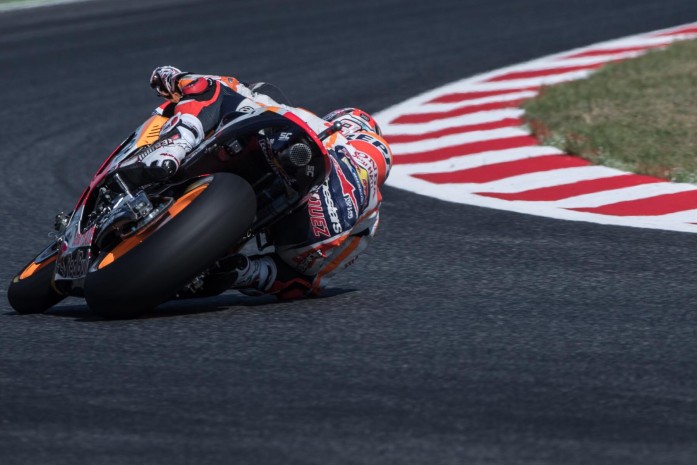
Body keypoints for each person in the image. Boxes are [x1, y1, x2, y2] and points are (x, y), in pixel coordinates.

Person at [136, 66, 392, 299]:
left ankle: (178, 141)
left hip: (297, 164)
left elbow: (221, 85)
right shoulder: (371, 220)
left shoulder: (317, 123)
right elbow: (314, 280)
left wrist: (174, 78)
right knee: (298, 274)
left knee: (214, 89)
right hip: (314, 238)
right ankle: (248, 272)